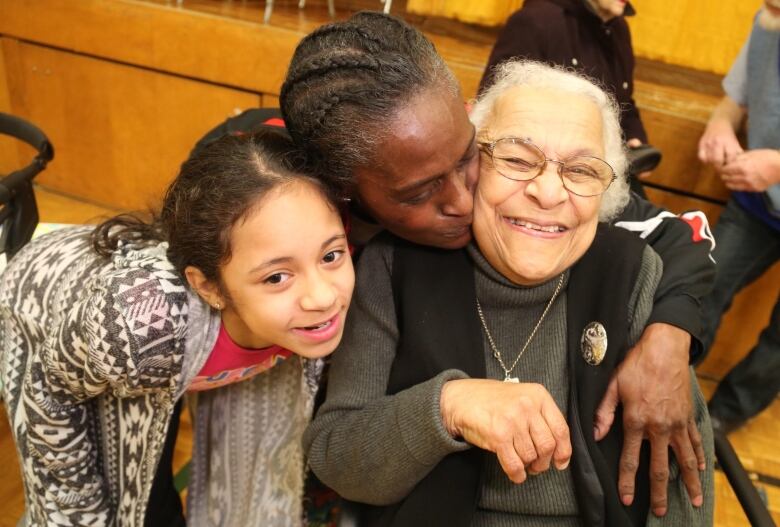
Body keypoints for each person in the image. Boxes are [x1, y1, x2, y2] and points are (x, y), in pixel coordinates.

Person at [196, 12, 714, 514]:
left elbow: (668, 232)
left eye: (466, 158)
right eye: (515, 159)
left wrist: (672, 332)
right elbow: (340, 450)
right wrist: (447, 405)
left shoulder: (620, 256)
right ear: (349, 203)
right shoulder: (358, 249)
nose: (463, 203)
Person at [0, 129, 355, 526]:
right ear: (208, 287)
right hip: (44, 307)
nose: (322, 297)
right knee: (138, 508)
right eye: (276, 278)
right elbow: (48, 393)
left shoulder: (325, 300)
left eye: (331, 255)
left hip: (151, 344)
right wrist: (77, 513)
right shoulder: (141, 328)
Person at [696, 1, 780, 434]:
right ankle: (670, 391)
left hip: (770, 179)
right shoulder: (768, 18)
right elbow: (734, 101)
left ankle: (722, 417)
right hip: (760, 205)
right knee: (700, 287)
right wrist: (721, 126)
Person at [478, 0, 653, 194]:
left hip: (599, 169)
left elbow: (623, 100)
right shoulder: (537, 20)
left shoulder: (619, 28)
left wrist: (635, 137)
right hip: (540, 175)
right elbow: (496, 102)